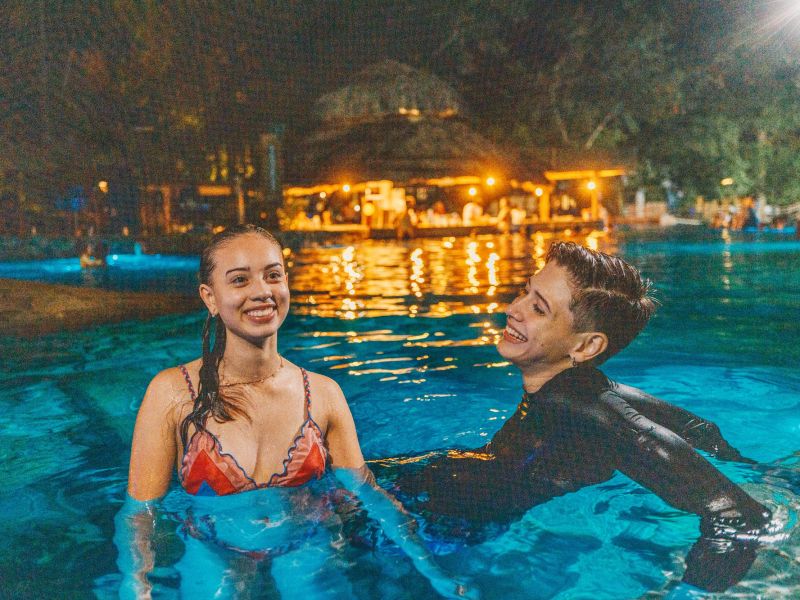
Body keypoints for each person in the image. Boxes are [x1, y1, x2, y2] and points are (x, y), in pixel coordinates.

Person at [383, 241, 771, 593]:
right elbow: (699, 430)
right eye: (525, 291)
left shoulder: (579, 408)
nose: (511, 309)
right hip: (436, 497)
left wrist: (690, 593)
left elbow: (741, 516)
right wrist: (764, 474)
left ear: (586, 345)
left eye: (538, 308)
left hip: (427, 529)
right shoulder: (591, 390)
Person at [122, 224, 471, 599]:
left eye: (273, 276)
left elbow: (366, 490)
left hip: (308, 543)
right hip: (212, 547)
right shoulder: (173, 394)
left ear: (287, 282)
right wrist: (135, 585)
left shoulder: (323, 395)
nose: (262, 292)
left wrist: (430, 568)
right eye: (239, 280)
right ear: (210, 297)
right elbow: (140, 513)